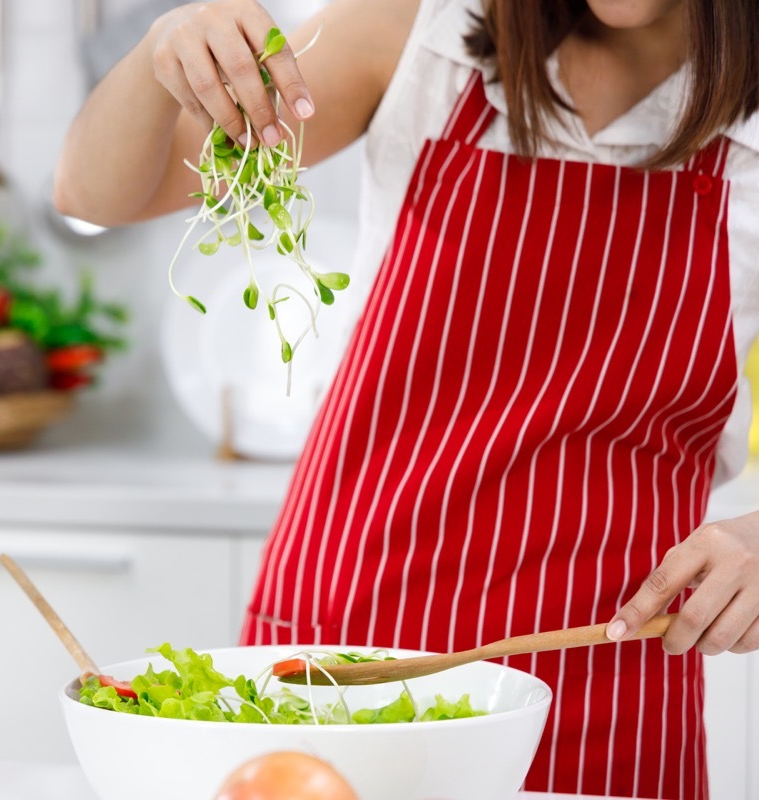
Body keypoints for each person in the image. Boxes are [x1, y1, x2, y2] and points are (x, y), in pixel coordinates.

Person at [53, 0, 759, 797]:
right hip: (344, 658)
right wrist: (163, 52)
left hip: (604, 673)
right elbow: (92, 191)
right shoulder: (421, 34)